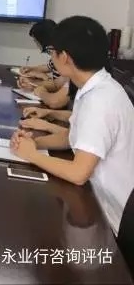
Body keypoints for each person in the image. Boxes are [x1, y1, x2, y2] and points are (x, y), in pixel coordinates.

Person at [11, 16, 134, 236]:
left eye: (52, 52)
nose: (51, 57)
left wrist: (32, 155)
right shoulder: (93, 88)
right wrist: (34, 142)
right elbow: (73, 137)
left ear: (64, 57)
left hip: (114, 221)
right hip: (97, 203)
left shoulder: (100, 101)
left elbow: (79, 173)